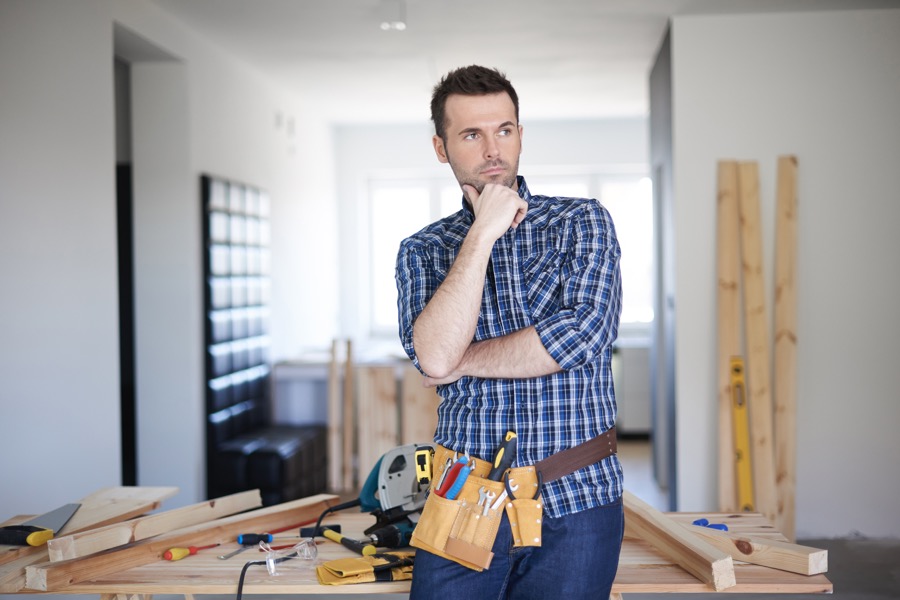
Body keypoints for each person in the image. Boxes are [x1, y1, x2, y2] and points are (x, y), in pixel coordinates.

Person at [395, 65, 624, 600]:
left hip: (577, 494)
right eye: (471, 134)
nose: (492, 149)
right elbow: (431, 355)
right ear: (441, 147)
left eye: (504, 129)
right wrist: (482, 233)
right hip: (460, 496)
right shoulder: (423, 249)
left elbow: (578, 338)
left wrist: (459, 359)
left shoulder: (583, 222)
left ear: (520, 133)